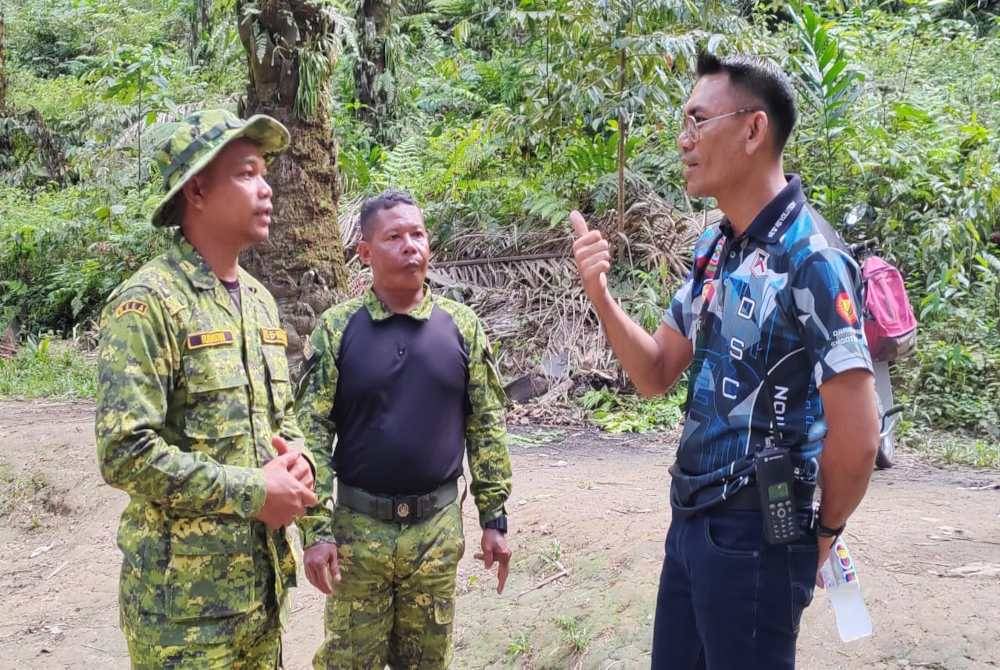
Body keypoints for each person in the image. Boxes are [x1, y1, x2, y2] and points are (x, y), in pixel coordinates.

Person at [569, 54, 880, 669]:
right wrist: (601, 295)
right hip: (692, 521)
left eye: (697, 121)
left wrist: (823, 533)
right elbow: (656, 371)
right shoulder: (716, 246)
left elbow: (859, 434)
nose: (684, 141)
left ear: (753, 129)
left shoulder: (812, 257)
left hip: (761, 532)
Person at [95, 109, 318, 668]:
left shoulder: (260, 302)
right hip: (183, 617)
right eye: (247, 173)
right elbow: (125, 453)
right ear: (197, 189)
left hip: (259, 596)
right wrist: (254, 492)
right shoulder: (147, 303)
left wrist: (298, 460)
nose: (267, 189)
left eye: (265, 174)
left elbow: (278, 422)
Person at [296, 190, 513, 669]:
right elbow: (310, 433)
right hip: (357, 534)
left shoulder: (461, 327)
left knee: (427, 663)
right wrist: (315, 530)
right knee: (350, 662)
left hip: (434, 532)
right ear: (366, 252)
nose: (410, 245)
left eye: (418, 234)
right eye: (394, 236)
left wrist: (494, 520)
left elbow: (486, 426)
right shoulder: (337, 329)